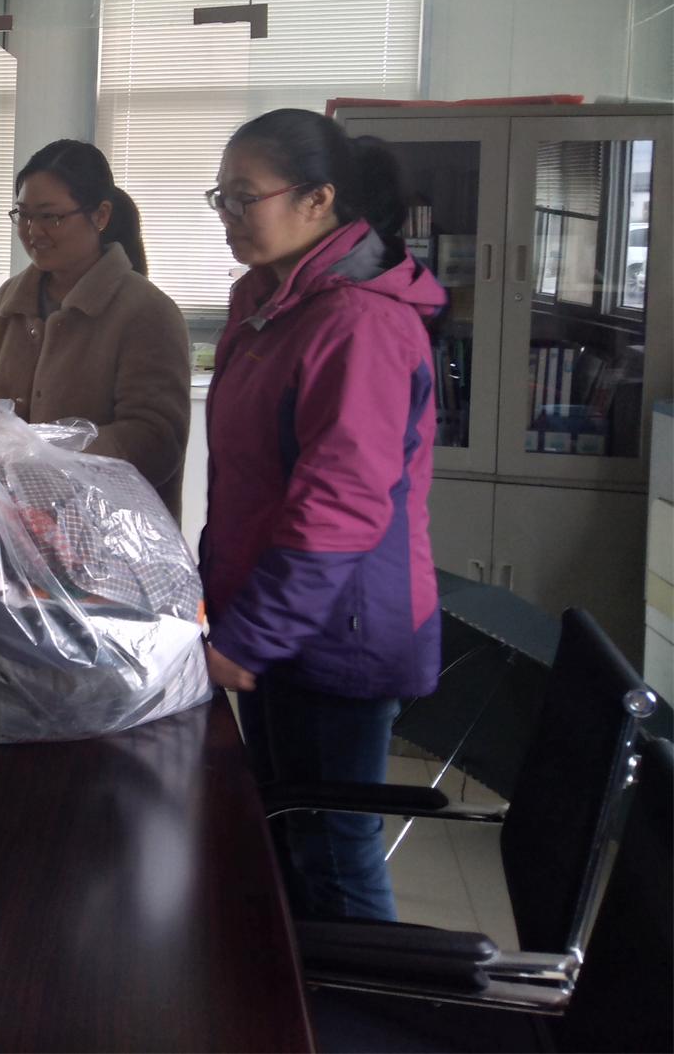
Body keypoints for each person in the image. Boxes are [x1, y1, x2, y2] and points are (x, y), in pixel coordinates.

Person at [200, 108, 446, 922]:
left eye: (246, 197)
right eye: (221, 198)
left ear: (318, 200)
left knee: (334, 857)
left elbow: (338, 506)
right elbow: (250, 480)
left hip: (336, 631)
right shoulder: (269, 303)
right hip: (273, 620)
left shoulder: (359, 322)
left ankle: (371, 997)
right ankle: (296, 990)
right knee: (280, 835)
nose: (230, 216)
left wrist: (250, 637)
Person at [0, 139, 191, 516]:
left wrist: (45, 456)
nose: (33, 231)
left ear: (100, 216)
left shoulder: (147, 312)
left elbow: (155, 440)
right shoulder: (8, 303)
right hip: (9, 521)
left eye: (51, 217)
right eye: (23, 215)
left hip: (106, 529)